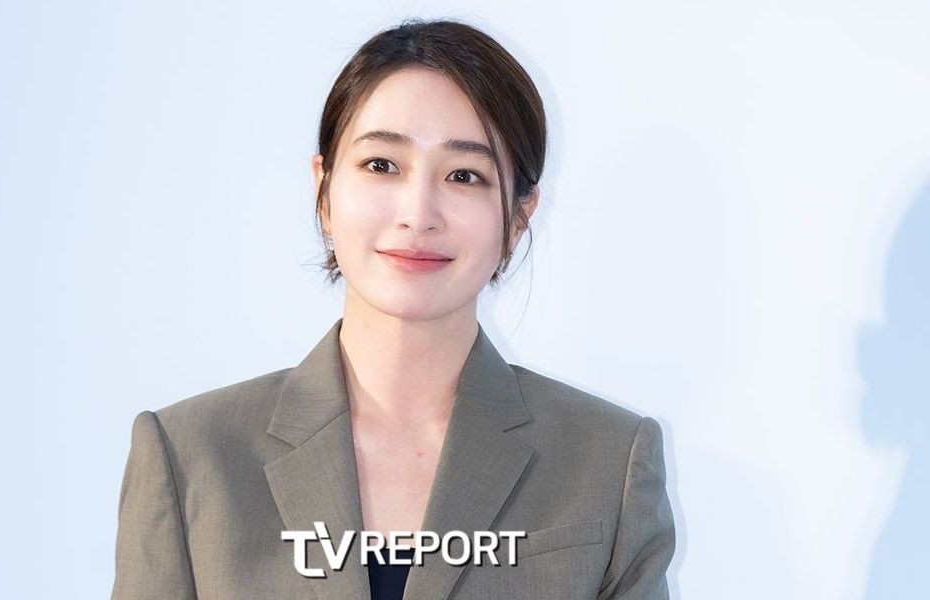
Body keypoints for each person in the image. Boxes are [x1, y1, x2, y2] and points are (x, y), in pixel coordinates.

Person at [111, 18, 676, 600]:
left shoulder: (609, 462)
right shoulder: (190, 457)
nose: (418, 213)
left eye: (465, 175)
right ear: (324, 190)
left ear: (518, 217)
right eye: (381, 165)